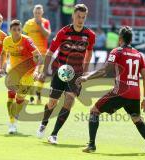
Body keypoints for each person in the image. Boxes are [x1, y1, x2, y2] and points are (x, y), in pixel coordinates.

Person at [76, 26, 145, 153]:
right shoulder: (138, 54)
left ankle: (91, 145)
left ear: (120, 39)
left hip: (121, 91)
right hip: (135, 94)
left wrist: (87, 77)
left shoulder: (117, 51)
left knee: (94, 111)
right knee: (136, 118)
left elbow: (105, 70)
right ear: (131, 39)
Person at [36, 4, 95, 144]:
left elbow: (89, 53)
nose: (80, 20)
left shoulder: (90, 35)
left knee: (69, 101)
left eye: (83, 17)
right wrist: (44, 72)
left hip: (76, 74)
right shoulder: (63, 32)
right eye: (78, 17)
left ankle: (54, 134)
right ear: (73, 16)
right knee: (52, 103)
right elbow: (50, 53)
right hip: (60, 70)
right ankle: (44, 123)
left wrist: (85, 73)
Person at [0, 19, 43, 134]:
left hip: (28, 74)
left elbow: (39, 56)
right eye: (14, 30)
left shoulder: (27, 41)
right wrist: (1, 68)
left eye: (18, 29)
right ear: (10, 30)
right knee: (11, 96)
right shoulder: (7, 41)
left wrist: (37, 71)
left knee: (20, 99)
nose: (17, 32)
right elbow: (4, 53)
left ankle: (15, 117)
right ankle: (11, 123)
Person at [23, 4, 51, 105]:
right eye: (36, 12)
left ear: (42, 13)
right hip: (31, 54)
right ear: (33, 12)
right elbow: (23, 38)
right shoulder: (28, 23)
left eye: (39, 13)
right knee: (31, 76)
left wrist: (40, 25)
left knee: (41, 76)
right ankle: (31, 98)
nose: (37, 14)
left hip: (42, 54)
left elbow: (47, 34)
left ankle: (38, 93)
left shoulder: (45, 22)